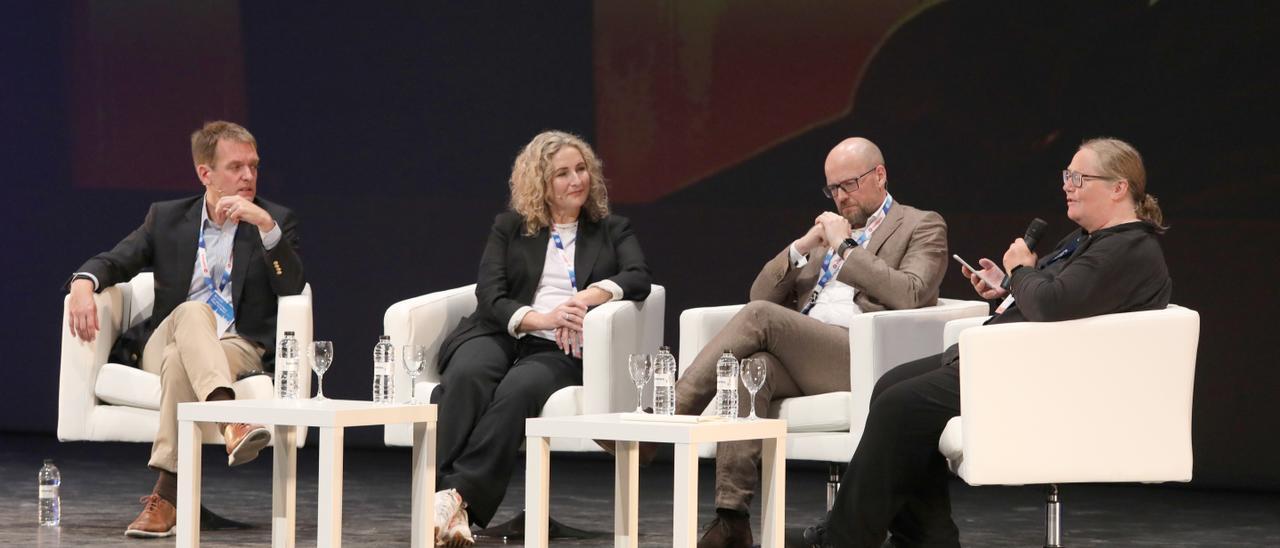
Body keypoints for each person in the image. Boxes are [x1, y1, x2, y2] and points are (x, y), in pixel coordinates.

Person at [803, 137, 1174, 547]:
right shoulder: (1089, 240)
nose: (1067, 185)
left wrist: (1019, 272)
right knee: (891, 385)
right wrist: (1007, 287)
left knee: (901, 405)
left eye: (1078, 177)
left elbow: (1052, 303)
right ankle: (928, 538)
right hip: (1013, 360)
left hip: (1042, 378)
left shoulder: (1128, 249)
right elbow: (1061, 295)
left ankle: (844, 537)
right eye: (1066, 176)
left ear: (1119, 187)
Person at [600, 137, 947, 548]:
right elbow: (759, 295)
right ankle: (732, 519)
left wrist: (845, 247)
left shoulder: (921, 224)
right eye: (832, 188)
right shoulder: (825, 235)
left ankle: (663, 419)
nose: (840, 197)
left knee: (761, 321)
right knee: (751, 370)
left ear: (880, 175)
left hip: (864, 355)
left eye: (849, 185)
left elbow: (911, 292)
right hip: (808, 354)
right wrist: (801, 248)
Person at [64, 121, 306, 538]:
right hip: (169, 336)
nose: (248, 176)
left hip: (237, 346)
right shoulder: (168, 218)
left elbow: (291, 286)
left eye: (254, 166)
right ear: (205, 173)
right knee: (193, 314)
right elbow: (117, 260)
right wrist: (83, 282)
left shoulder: (275, 220)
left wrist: (266, 228)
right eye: (235, 167)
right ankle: (230, 419)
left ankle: (168, 495)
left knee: (183, 360)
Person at [428, 130, 651, 546]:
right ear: (541, 185)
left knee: (518, 389)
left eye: (581, 169)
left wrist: (588, 294)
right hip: (502, 330)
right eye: (563, 174)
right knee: (467, 376)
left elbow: (638, 276)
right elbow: (490, 295)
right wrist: (541, 316)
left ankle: (453, 500)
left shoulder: (611, 229)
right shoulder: (510, 228)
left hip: (556, 347)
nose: (576, 180)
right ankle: (446, 504)